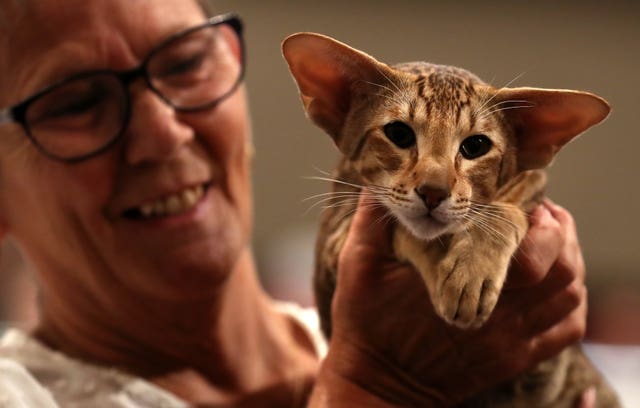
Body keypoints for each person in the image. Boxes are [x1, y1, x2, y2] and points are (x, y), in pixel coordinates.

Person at [0, 0, 591, 406]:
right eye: (76, 102)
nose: (164, 132)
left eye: (184, 62)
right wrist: (382, 389)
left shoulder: (388, 331)